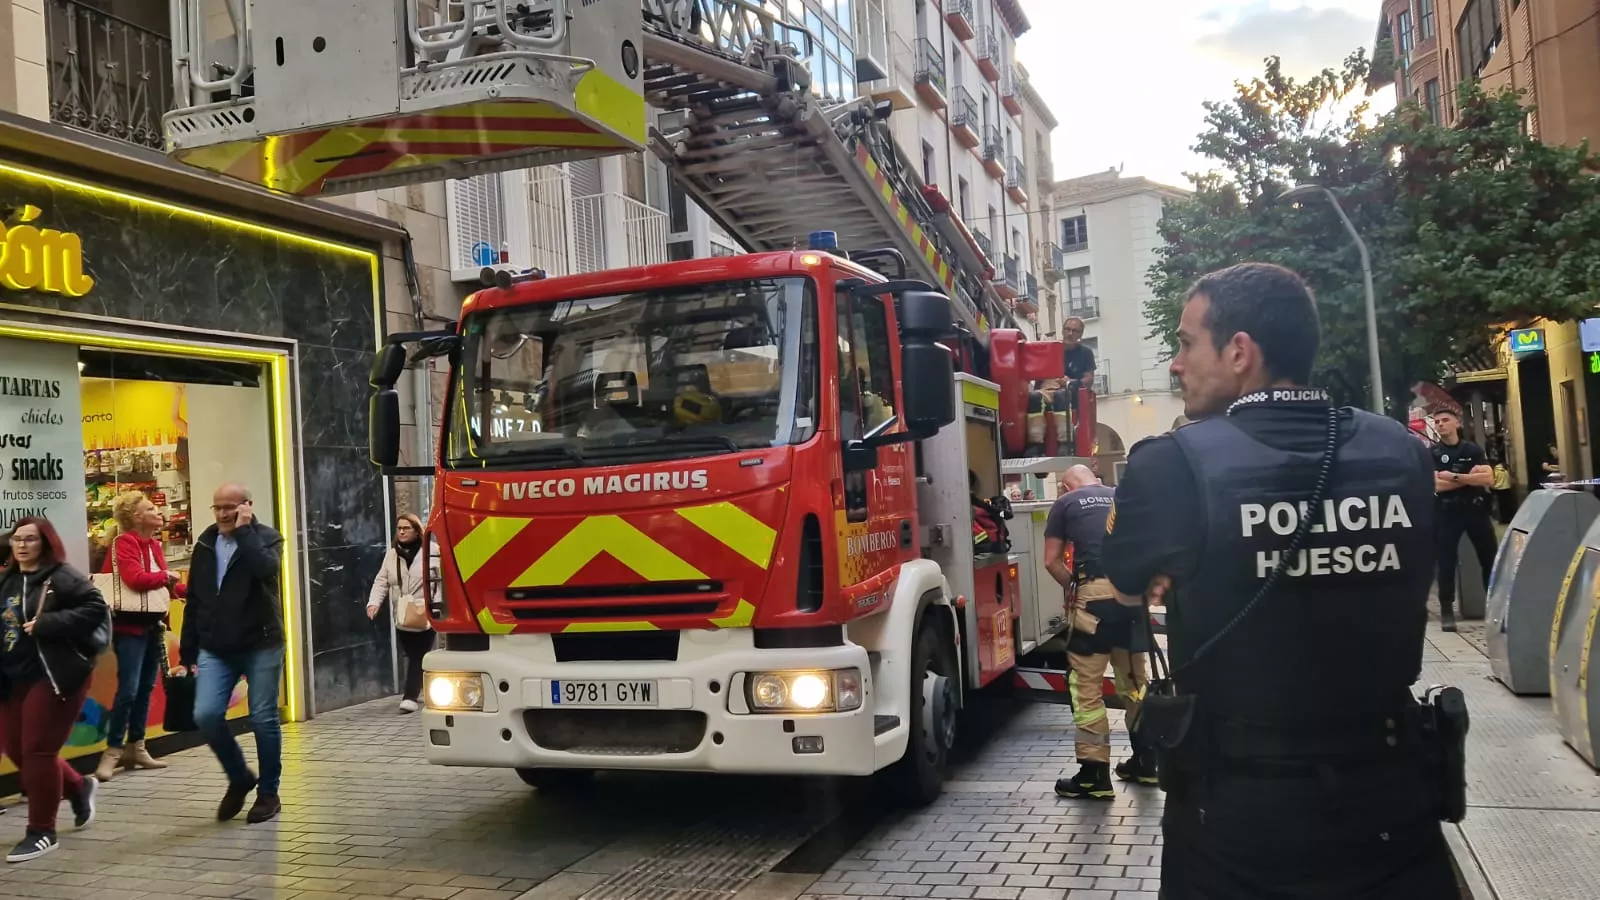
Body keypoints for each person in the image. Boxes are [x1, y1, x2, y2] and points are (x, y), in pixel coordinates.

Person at [1101, 263, 1455, 897]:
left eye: (1185, 344)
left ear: (1240, 352)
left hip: (1237, 819)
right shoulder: (1401, 452)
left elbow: (1128, 587)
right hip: (1391, 801)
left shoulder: (1171, 465)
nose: (1176, 365)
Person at [1044, 465, 1155, 800]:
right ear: (1097, 478)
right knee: (1135, 682)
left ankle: (1094, 775)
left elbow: (1051, 561)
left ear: (1065, 486)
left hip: (1094, 598)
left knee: (1086, 686)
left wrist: (1074, 588)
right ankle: (1147, 763)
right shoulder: (1124, 496)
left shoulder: (1065, 504)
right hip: (1132, 595)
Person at [1, 517, 107, 862]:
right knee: (16, 749)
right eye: (17, 539)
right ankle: (78, 786)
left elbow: (96, 608)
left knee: (37, 751)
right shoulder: (9, 579)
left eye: (30, 539)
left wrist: (49, 623)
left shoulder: (61, 576)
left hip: (55, 673)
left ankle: (42, 831)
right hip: (13, 676)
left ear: (45, 544)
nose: (22, 545)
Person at [179, 483, 286, 825]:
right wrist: (188, 650)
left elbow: (266, 570)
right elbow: (195, 598)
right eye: (218, 508)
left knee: (263, 719)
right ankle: (240, 776)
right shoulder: (206, 543)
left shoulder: (267, 538)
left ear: (246, 507)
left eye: (231, 507)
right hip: (216, 647)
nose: (223, 514)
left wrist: (244, 531)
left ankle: (268, 793)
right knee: (207, 714)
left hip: (262, 643)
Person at [95, 490, 185, 781]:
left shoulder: (154, 546)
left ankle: (138, 745)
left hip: (150, 625)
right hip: (128, 627)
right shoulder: (124, 543)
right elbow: (134, 579)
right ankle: (113, 750)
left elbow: (161, 587)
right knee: (129, 690)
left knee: (146, 687)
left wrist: (184, 592)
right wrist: (167, 577)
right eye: (150, 509)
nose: (158, 513)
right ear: (135, 517)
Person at [1429, 408, 1498, 632]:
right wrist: (1471, 479)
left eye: (1445, 420)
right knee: (1446, 562)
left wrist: (1454, 476)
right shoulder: (1433, 453)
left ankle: (1495, 609)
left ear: (1456, 423)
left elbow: (1489, 478)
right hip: (1447, 513)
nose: (1440, 425)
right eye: (1437, 421)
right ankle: (1447, 610)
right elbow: (1436, 485)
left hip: (1476, 511)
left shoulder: (1472, 449)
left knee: (1489, 560)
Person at [367, 513, 434, 713]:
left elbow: (444, 579)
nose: (402, 532)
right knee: (414, 654)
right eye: (399, 528)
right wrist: (374, 603)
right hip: (403, 613)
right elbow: (382, 580)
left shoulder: (432, 552)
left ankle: (410, 697)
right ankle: (427, 688)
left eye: (407, 528)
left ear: (417, 530)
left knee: (418, 655)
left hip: (426, 612)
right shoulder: (392, 554)